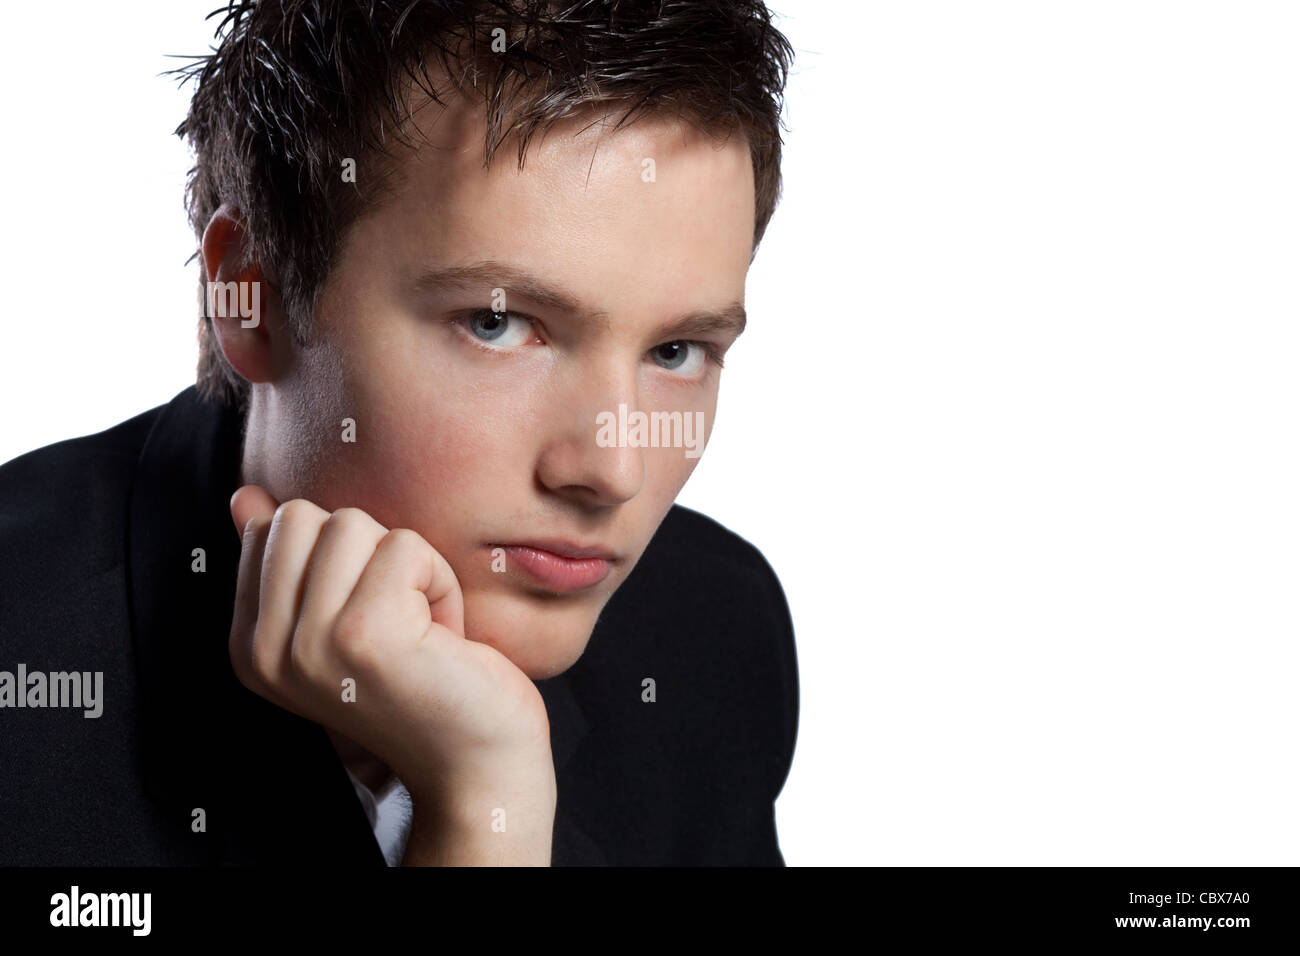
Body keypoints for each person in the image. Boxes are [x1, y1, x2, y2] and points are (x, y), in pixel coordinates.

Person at [0, 0, 799, 866]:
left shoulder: (712, 634)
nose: (613, 469)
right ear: (252, 293)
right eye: (498, 325)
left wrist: (484, 791)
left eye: (677, 350)